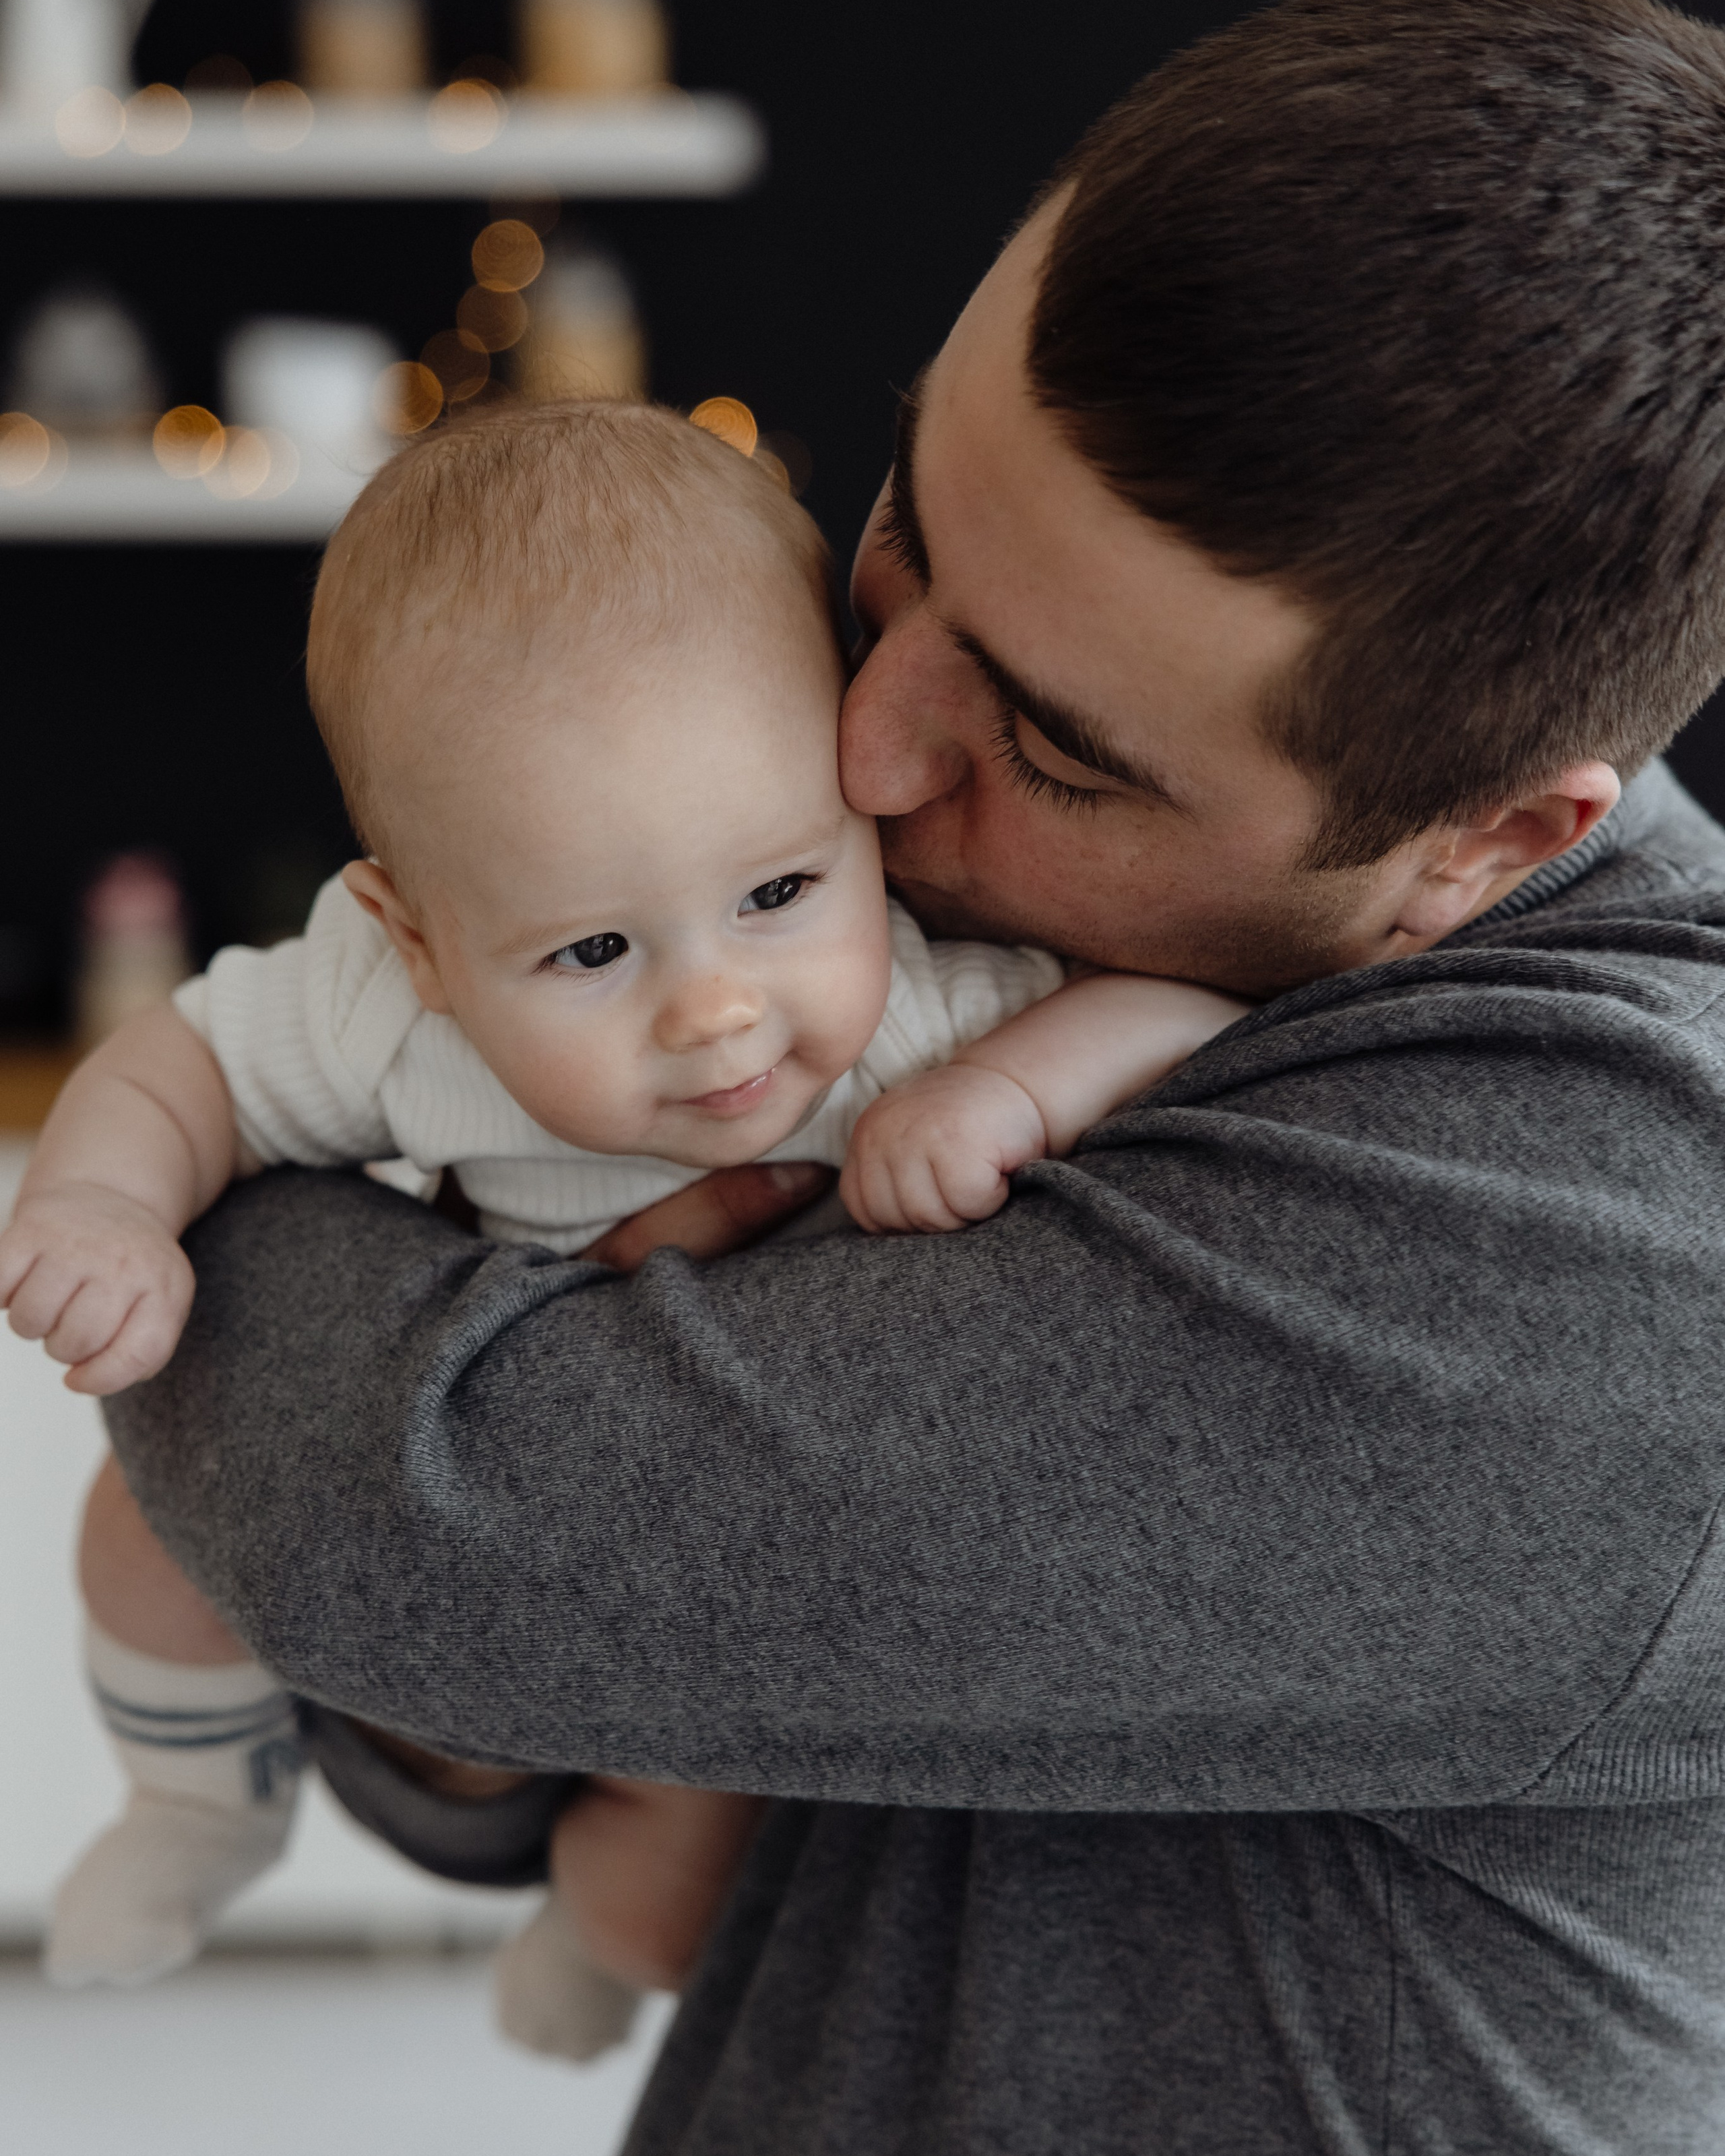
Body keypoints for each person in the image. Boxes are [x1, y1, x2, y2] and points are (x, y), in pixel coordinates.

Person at [85, 0, 1725, 2156]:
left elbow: (431, 1527)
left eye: (1050, 744)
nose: (854, 750)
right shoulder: (1014, 941)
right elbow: (519, 1716)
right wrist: (499, 1679)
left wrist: (279, 1135)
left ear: (1485, 842)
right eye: (901, 527)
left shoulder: (1626, 1233)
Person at [0, 398, 1242, 2050]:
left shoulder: (917, 1015)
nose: (716, 1012)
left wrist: (1008, 1092)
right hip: (447, 1481)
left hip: (724, 1569)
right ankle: (195, 1804)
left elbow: (1184, 1014)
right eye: (593, 953)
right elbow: (182, 1069)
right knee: (140, 1516)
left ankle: (585, 1938)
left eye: (778, 893)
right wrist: (104, 1205)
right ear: (418, 938)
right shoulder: (389, 1012)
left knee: (666, 1911)